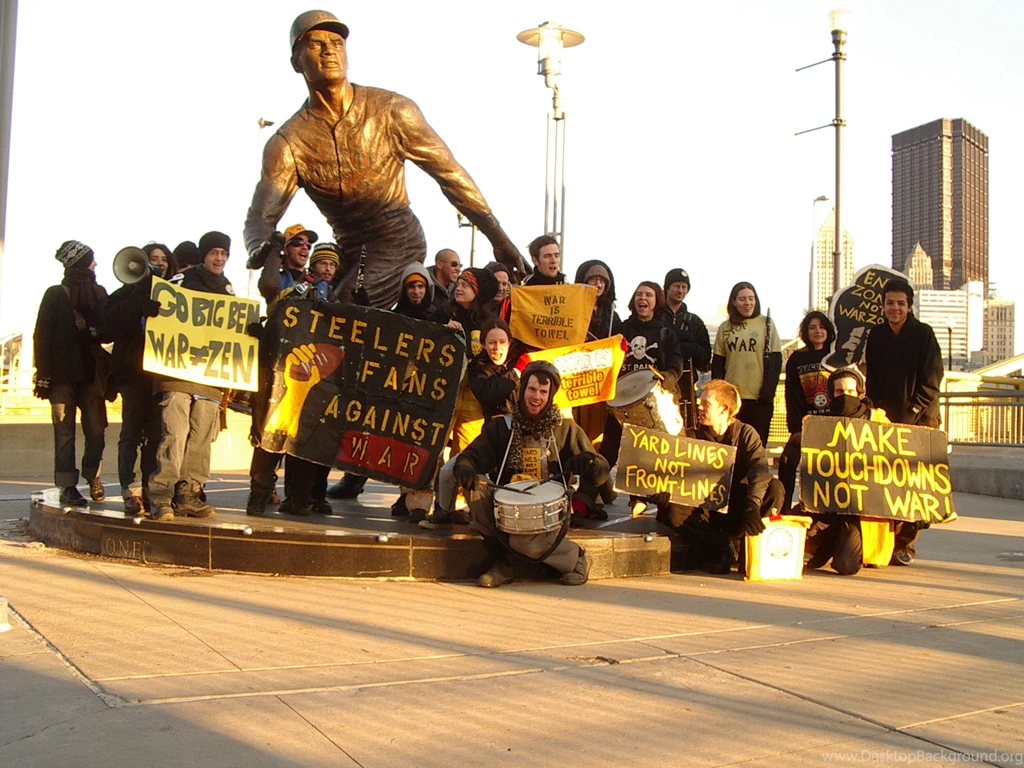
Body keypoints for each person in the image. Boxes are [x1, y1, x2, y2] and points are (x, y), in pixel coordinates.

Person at [244, 10, 528, 311]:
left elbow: (450, 175)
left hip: (397, 238)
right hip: (350, 248)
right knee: (313, 300)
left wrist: (497, 237)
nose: (329, 51)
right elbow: (260, 216)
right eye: (315, 44)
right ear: (296, 62)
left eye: (337, 43)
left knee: (343, 304)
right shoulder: (288, 142)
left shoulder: (391, 110)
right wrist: (261, 245)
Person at [453, 361, 608, 587]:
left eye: (543, 392)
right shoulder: (502, 427)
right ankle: (504, 564)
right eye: (532, 389)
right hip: (506, 510)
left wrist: (590, 463)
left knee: (526, 544)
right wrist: (465, 468)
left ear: (551, 395)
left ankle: (576, 558)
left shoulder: (567, 429)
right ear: (522, 389)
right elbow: (470, 457)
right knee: (476, 488)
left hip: (549, 515)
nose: (537, 397)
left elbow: (602, 474)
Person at [652, 379, 784, 574]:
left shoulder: (746, 433)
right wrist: (660, 493)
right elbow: (670, 471)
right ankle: (721, 546)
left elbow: (760, 469)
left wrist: (752, 504)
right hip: (704, 511)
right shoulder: (690, 436)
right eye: (699, 402)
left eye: (706, 404)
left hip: (737, 507)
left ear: (724, 409)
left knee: (775, 488)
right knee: (672, 509)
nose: (699, 407)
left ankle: (745, 543)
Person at [149, 232, 234, 521]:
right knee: (175, 433)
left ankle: (190, 493)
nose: (219, 258)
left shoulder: (229, 290)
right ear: (204, 255)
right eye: (214, 252)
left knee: (200, 439)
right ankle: (161, 496)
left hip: (210, 379)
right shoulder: (180, 284)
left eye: (224, 253)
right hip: (177, 374)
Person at [864, 277, 944, 565]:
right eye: (889, 303)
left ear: (909, 306)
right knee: (886, 483)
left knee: (916, 486)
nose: (894, 308)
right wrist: (875, 411)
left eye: (900, 303)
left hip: (922, 421)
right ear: (883, 306)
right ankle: (885, 541)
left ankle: (905, 544)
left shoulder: (924, 334)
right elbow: (871, 379)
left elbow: (932, 381)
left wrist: (910, 415)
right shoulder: (876, 336)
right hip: (885, 421)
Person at [422, 318, 522, 529]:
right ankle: (445, 511)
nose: (497, 348)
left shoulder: (517, 366)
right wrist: (516, 376)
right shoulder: (478, 369)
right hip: (491, 438)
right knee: (449, 470)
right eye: (492, 343)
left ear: (509, 343)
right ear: (484, 344)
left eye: (502, 342)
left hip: (518, 439)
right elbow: (489, 394)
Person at [33, 241, 111, 507]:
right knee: (64, 435)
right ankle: (67, 487)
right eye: (91, 260)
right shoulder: (55, 295)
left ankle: (92, 475)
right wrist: (43, 376)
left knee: (97, 433)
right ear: (81, 263)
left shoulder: (99, 294)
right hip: (61, 379)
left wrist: (95, 333)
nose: (96, 265)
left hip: (91, 378)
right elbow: (41, 337)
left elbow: (109, 327)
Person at [804, 368, 896, 575]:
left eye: (851, 391)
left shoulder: (878, 420)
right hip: (828, 504)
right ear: (831, 395)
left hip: (861, 508)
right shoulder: (821, 423)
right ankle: (825, 543)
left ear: (861, 393)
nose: (845, 396)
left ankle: (841, 543)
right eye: (839, 392)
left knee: (846, 565)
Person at [103, 246, 171, 515]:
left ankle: (148, 488)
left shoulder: (172, 295)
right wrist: (138, 304)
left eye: (164, 260)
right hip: (133, 373)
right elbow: (109, 326)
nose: (159, 264)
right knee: (131, 433)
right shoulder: (124, 295)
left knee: (155, 434)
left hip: (159, 375)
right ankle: (128, 489)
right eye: (153, 259)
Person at [778, 311, 836, 510]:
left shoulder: (837, 355)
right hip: (806, 426)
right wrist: (796, 430)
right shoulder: (797, 359)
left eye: (822, 327)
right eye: (812, 327)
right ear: (806, 332)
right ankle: (783, 509)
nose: (818, 331)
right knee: (787, 461)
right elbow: (792, 396)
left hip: (833, 427)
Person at [712, 282, 782, 446]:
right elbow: (718, 363)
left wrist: (767, 393)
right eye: (742, 299)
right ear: (734, 302)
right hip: (731, 399)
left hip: (758, 399)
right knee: (729, 446)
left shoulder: (767, 324)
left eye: (751, 299)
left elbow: (776, 361)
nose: (747, 303)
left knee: (755, 446)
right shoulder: (725, 327)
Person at [663, 268, 711, 428]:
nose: (680, 290)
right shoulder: (656, 316)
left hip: (686, 388)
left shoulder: (694, 321)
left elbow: (705, 358)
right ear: (667, 288)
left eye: (684, 287)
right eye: (676, 286)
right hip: (659, 382)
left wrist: (693, 349)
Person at [428, 249, 461, 313]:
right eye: (454, 264)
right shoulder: (423, 286)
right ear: (439, 265)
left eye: (460, 265)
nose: (458, 269)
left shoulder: (458, 290)